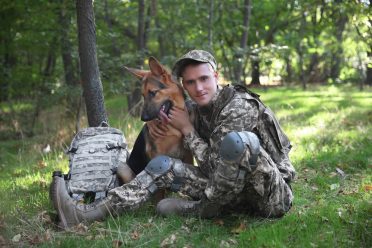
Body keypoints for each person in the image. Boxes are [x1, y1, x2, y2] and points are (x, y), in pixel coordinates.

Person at [55, 50, 295, 226]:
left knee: (237, 143)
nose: (199, 87)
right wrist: (153, 120)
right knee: (161, 166)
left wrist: (187, 130)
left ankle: (199, 209)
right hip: (228, 193)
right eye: (190, 82)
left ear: (216, 76)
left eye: (204, 79)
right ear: (183, 86)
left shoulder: (238, 106)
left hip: (268, 195)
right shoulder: (196, 107)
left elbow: (215, 167)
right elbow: (167, 105)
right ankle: (86, 214)